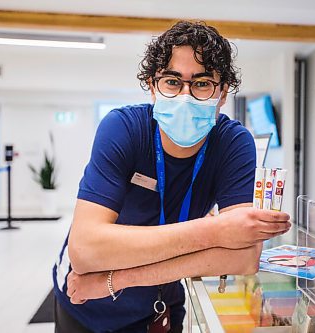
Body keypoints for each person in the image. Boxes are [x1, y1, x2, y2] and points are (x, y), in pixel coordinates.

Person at [53, 21, 291, 333]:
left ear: (222, 94)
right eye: (172, 82)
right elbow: (85, 252)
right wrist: (218, 231)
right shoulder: (124, 129)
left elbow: (245, 258)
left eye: (202, 83)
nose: (185, 96)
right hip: (84, 302)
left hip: (157, 305)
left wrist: (115, 279)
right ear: (152, 86)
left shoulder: (233, 143)